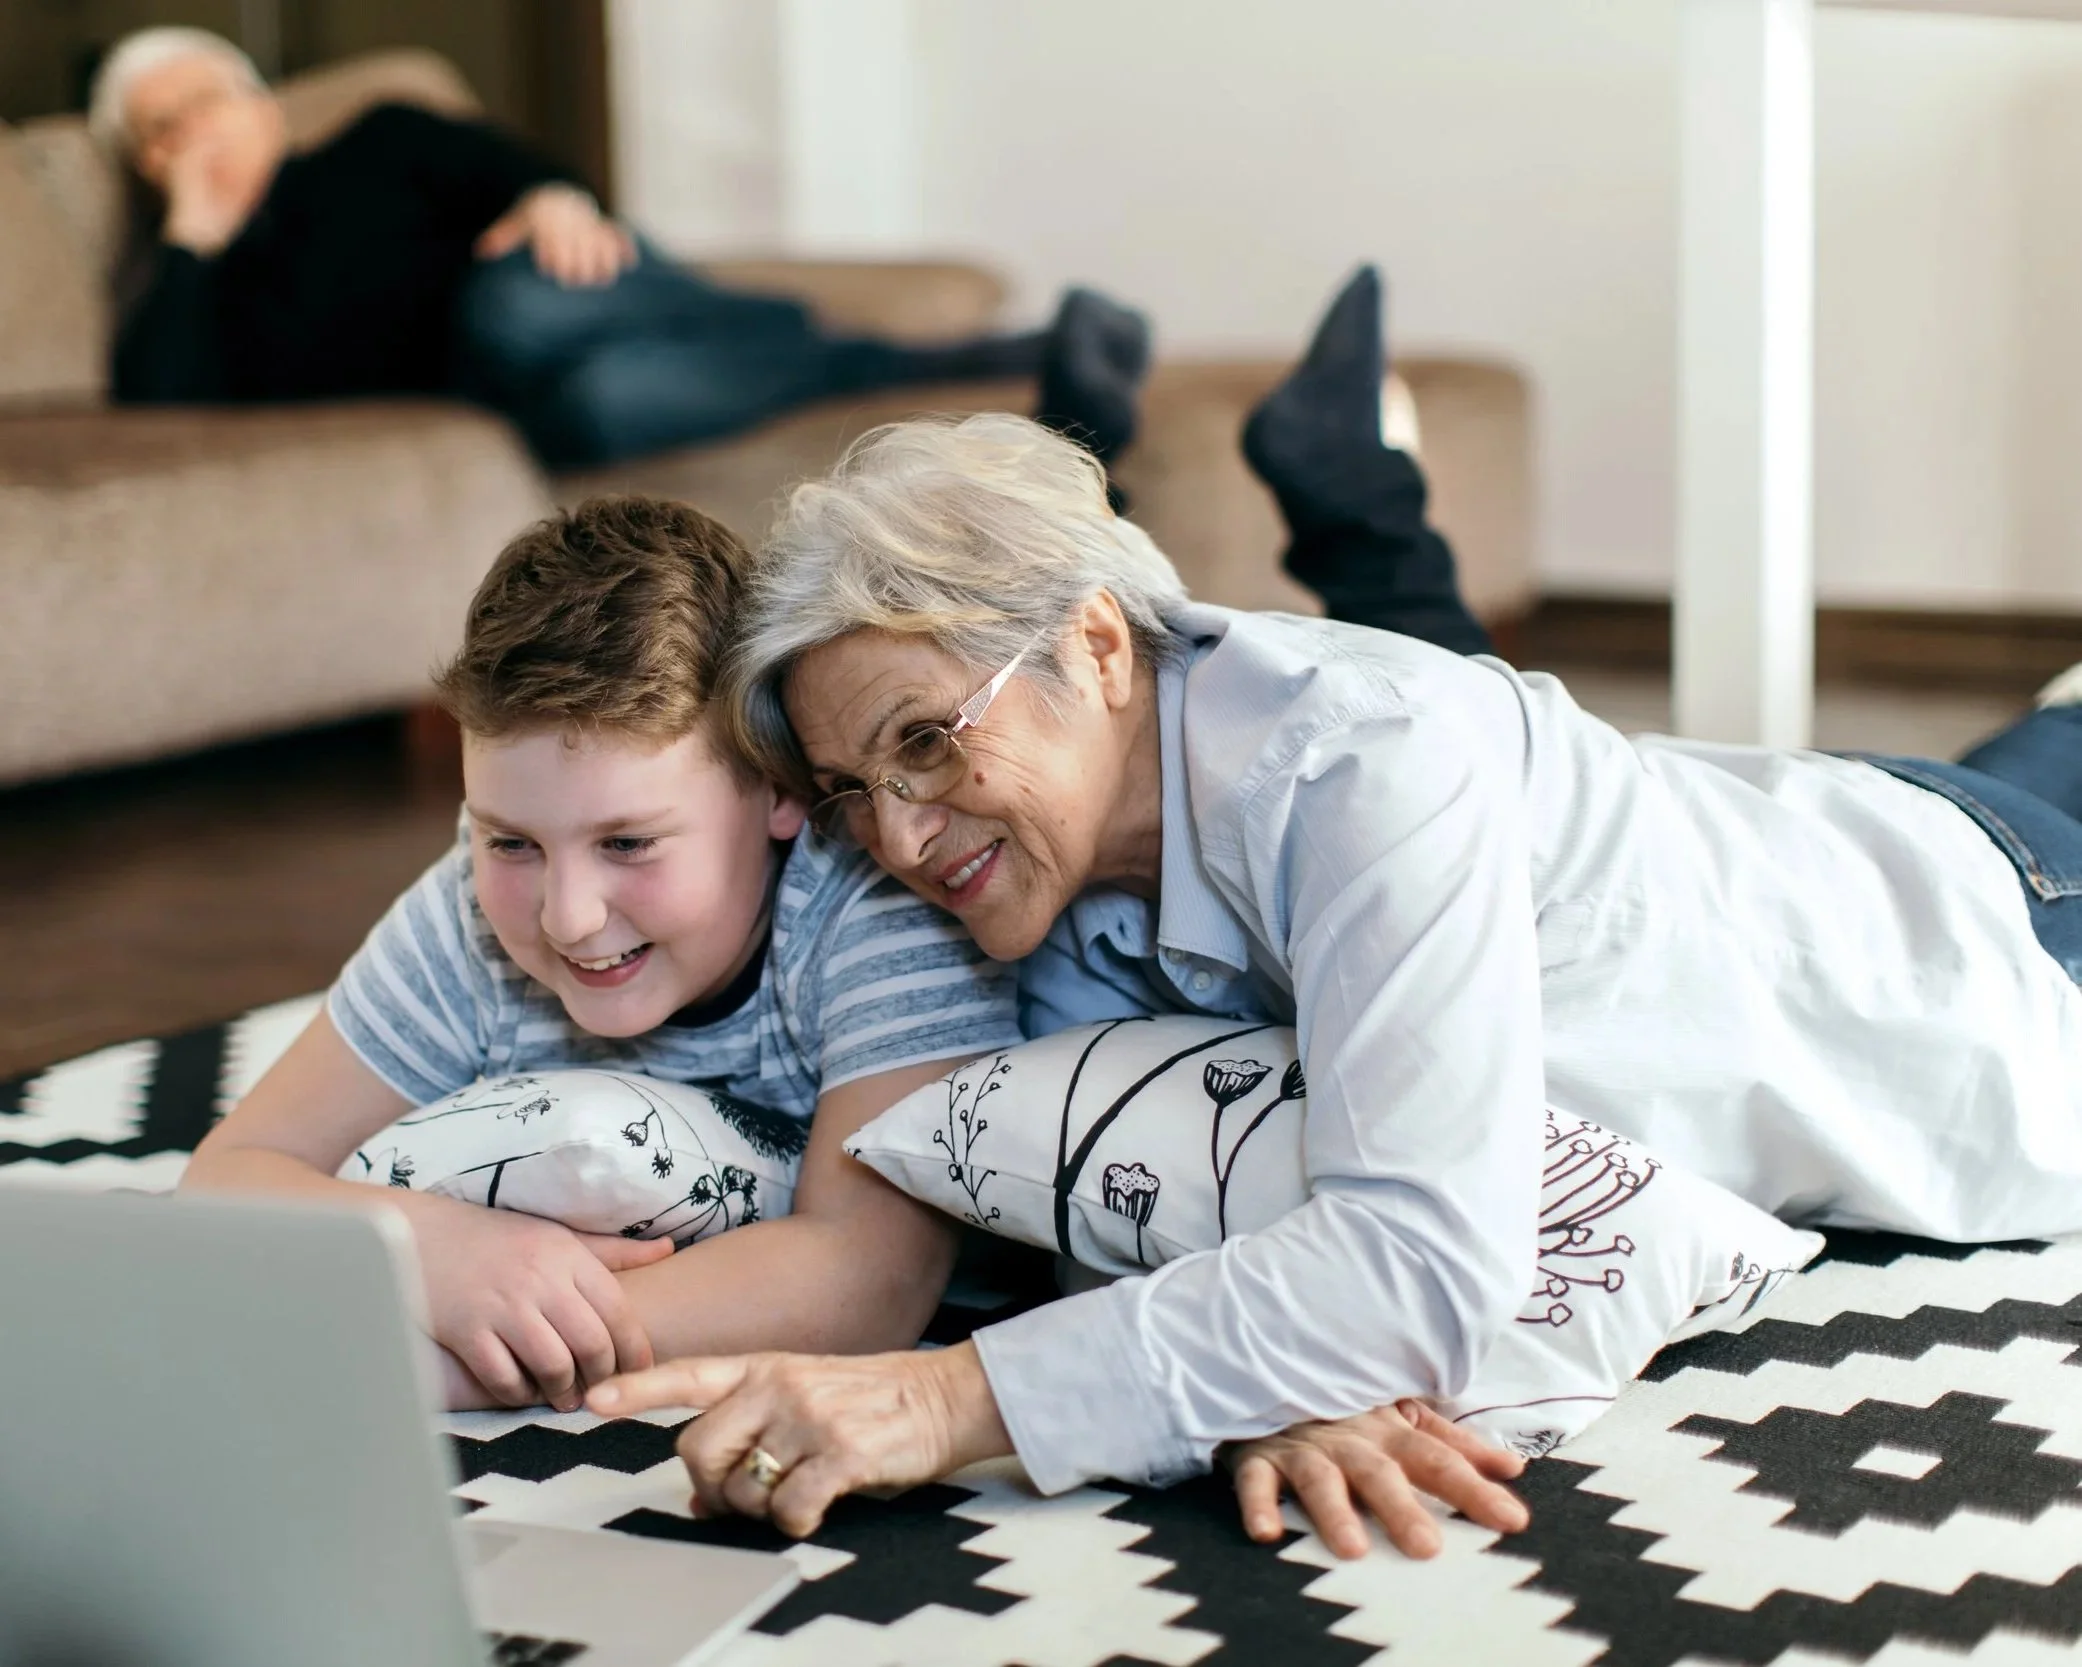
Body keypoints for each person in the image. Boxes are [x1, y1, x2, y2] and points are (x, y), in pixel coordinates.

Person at [588, 267, 2082, 1554]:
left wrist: (936, 1402)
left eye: (927, 739)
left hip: (1988, 919)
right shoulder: (1039, 869)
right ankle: (1356, 485)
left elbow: (1422, 1259)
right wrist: (1276, 1364)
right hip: (1769, 819)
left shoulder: (1363, 760)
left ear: (1097, 643)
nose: (898, 835)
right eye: (851, 788)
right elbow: (1151, 1188)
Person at [180, 471, 1527, 1561]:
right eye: (508, 838)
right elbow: (228, 1173)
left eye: (632, 842)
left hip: (1434, 810)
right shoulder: (476, 911)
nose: (569, 914)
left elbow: (875, 1275)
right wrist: (430, 1242)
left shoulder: (867, 899)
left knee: (1395, 711)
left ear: (773, 798)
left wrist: (466, 1351)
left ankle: (1375, 513)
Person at [90, 27, 1146, 468]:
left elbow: (525, 172)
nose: (194, 133)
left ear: (257, 94)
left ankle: (1024, 351)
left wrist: (556, 199)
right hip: (521, 390)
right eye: (160, 131)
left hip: (553, 294)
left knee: (506, 305)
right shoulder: (204, 287)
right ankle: (1031, 358)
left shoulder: (380, 134)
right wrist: (194, 233)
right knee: (603, 406)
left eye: (203, 99)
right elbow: (161, 405)